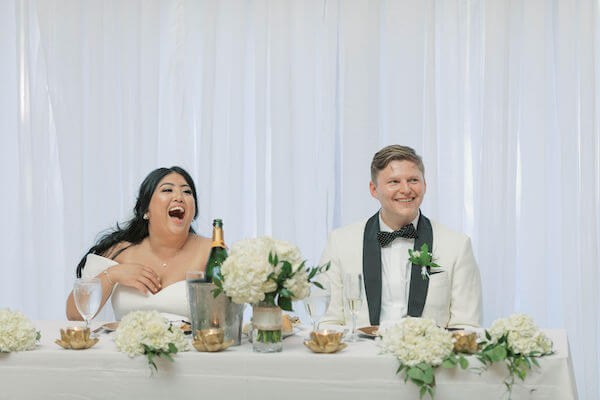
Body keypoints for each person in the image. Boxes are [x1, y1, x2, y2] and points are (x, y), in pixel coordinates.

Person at [319, 145, 482, 329]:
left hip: (428, 356)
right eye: (394, 182)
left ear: (425, 185)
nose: (405, 189)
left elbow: (466, 327)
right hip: (361, 355)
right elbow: (331, 322)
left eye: (413, 180)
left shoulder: (457, 246)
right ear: (374, 189)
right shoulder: (340, 242)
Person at [66, 166, 212, 321]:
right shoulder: (119, 251)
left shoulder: (212, 251)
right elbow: (75, 314)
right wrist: (113, 274)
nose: (179, 196)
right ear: (146, 210)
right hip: (125, 344)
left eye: (187, 192)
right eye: (167, 190)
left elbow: (227, 317)